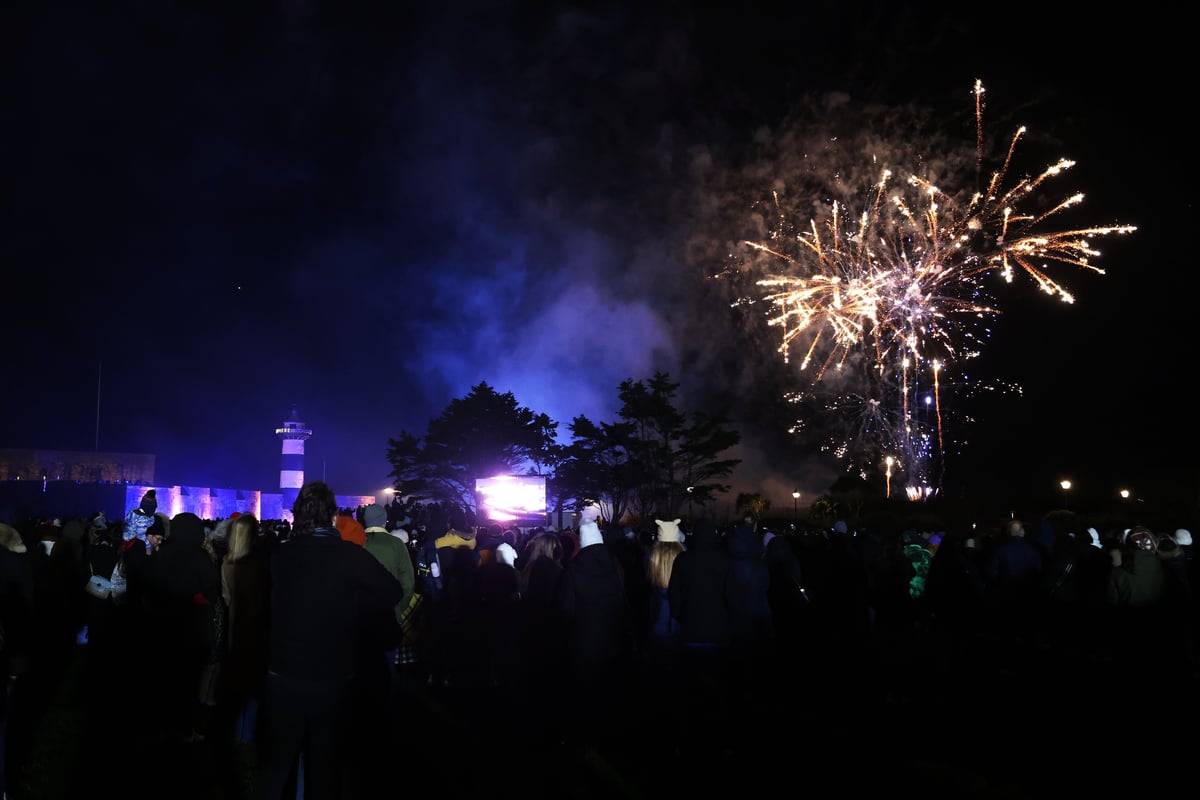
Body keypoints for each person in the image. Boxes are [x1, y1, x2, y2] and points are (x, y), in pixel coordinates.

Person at [255, 481, 404, 800]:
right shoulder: (350, 556)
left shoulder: (280, 554)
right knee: (323, 765)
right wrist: (355, 607)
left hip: (281, 671)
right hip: (332, 675)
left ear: (298, 514)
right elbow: (392, 590)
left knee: (276, 764)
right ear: (333, 516)